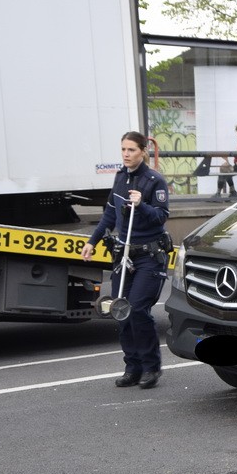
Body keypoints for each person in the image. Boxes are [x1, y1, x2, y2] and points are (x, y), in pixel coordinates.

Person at [81, 131, 171, 389]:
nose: (126, 154)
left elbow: (161, 216)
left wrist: (141, 204)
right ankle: (132, 367)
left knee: (138, 309)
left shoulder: (154, 181)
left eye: (131, 149)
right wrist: (92, 241)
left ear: (143, 151)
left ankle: (151, 367)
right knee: (120, 311)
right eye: (123, 149)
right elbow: (110, 216)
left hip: (148, 256)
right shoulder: (120, 178)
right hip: (124, 254)